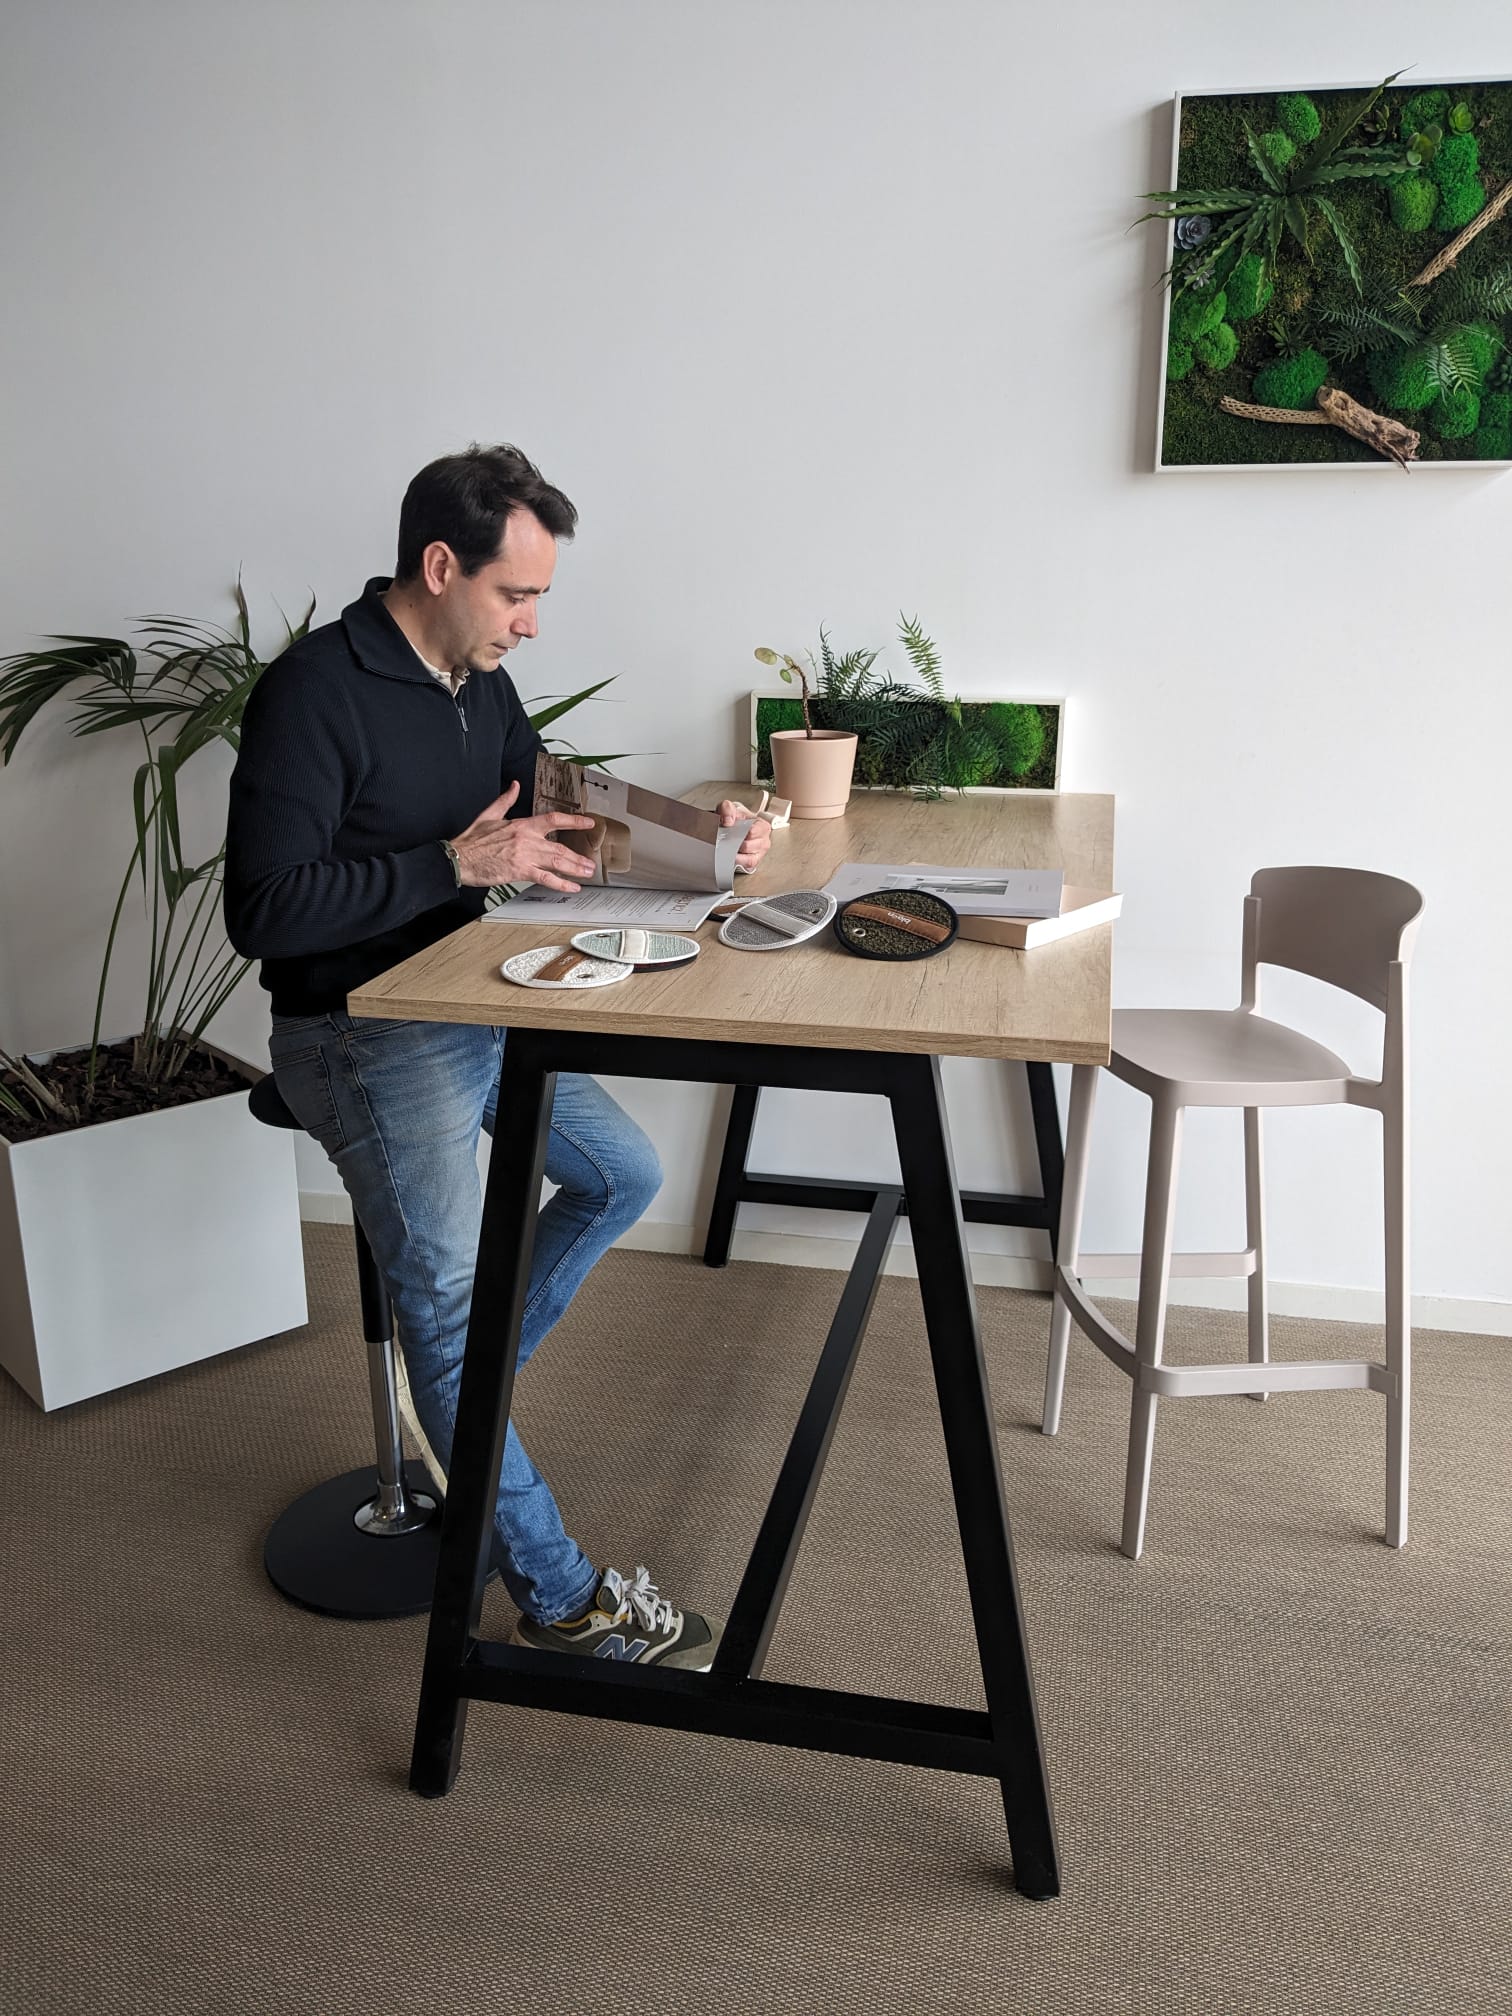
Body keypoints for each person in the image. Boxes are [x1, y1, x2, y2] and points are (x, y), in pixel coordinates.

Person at [224, 442, 770, 1669]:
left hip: (471, 999)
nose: (530, 624)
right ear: (439, 565)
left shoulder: (475, 679)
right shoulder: (315, 691)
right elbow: (263, 910)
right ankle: (563, 1598)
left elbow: (557, 803)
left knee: (621, 1177)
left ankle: (459, 1407)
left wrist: (706, 833)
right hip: (357, 1033)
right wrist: (454, 866)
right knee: (453, 1329)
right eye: (516, 595)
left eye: (539, 600)